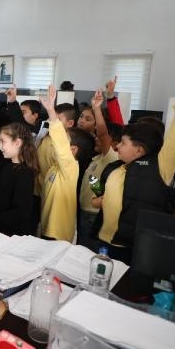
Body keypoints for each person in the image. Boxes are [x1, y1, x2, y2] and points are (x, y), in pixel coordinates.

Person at [93, 68, 175, 264]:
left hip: (134, 247)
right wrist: (100, 199)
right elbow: (99, 192)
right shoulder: (115, 167)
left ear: (139, 150)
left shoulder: (159, 168)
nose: (117, 146)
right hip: (104, 241)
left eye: (123, 143)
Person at [77, 86, 124, 251]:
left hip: (92, 214)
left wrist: (97, 108)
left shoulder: (111, 156)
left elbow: (103, 134)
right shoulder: (98, 158)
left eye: (101, 137)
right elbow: (95, 184)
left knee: (86, 251)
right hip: (86, 211)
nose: (97, 138)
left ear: (115, 144)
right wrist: (96, 187)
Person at [39, 85, 87, 242]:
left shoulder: (70, 167)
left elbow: (60, 145)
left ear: (72, 150)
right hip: (48, 227)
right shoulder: (56, 167)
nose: (59, 145)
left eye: (65, 142)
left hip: (58, 232)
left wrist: (51, 112)